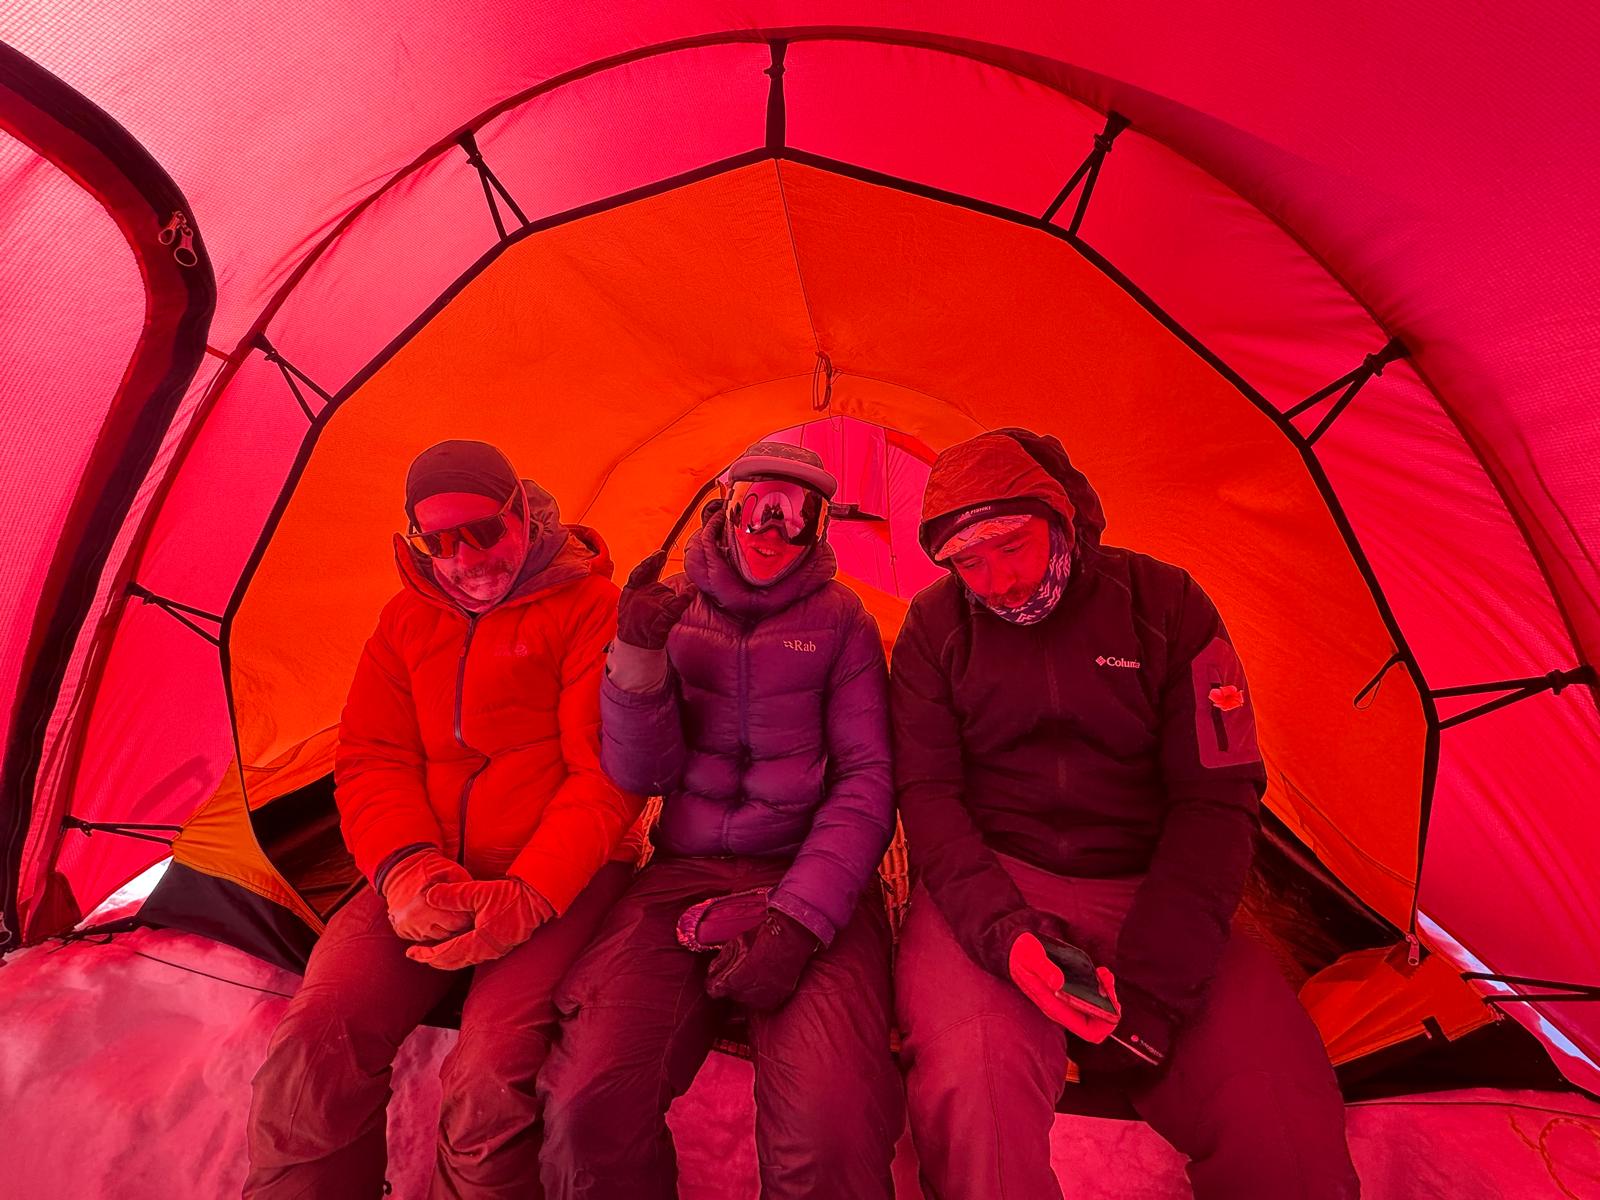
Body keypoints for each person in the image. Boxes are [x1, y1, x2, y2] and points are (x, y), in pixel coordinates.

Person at [890, 428, 1359, 1199]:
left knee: (1280, 1112)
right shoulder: (936, 629)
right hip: (994, 882)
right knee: (975, 1091)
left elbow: (1218, 796)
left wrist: (1155, 987)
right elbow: (929, 798)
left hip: (1152, 881)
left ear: (1058, 520)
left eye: (1011, 545)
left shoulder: (1166, 606)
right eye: (967, 562)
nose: (998, 580)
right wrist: (1006, 938)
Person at [244, 439, 644, 1199]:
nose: (465, 559)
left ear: (521, 513)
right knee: (314, 1043)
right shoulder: (405, 622)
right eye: (439, 542)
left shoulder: (592, 609)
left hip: (562, 873)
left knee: (491, 1079)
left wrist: (530, 892)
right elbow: (371, 758)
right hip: (433, 870)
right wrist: (405, 871)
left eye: (483, 532)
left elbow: (608, 777)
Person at [538, 441, 903, 1200]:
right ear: (724, 510)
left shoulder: (843, 624)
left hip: (807, 874)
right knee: (586, 1106)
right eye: (758, 507)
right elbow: (644, 775)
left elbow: (868, 778)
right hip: (684, 873)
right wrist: (636, 659)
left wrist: (800, 920)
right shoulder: (673, 610)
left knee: (831, 1128)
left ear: (822, 530)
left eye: (797, 516)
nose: (773, 530)